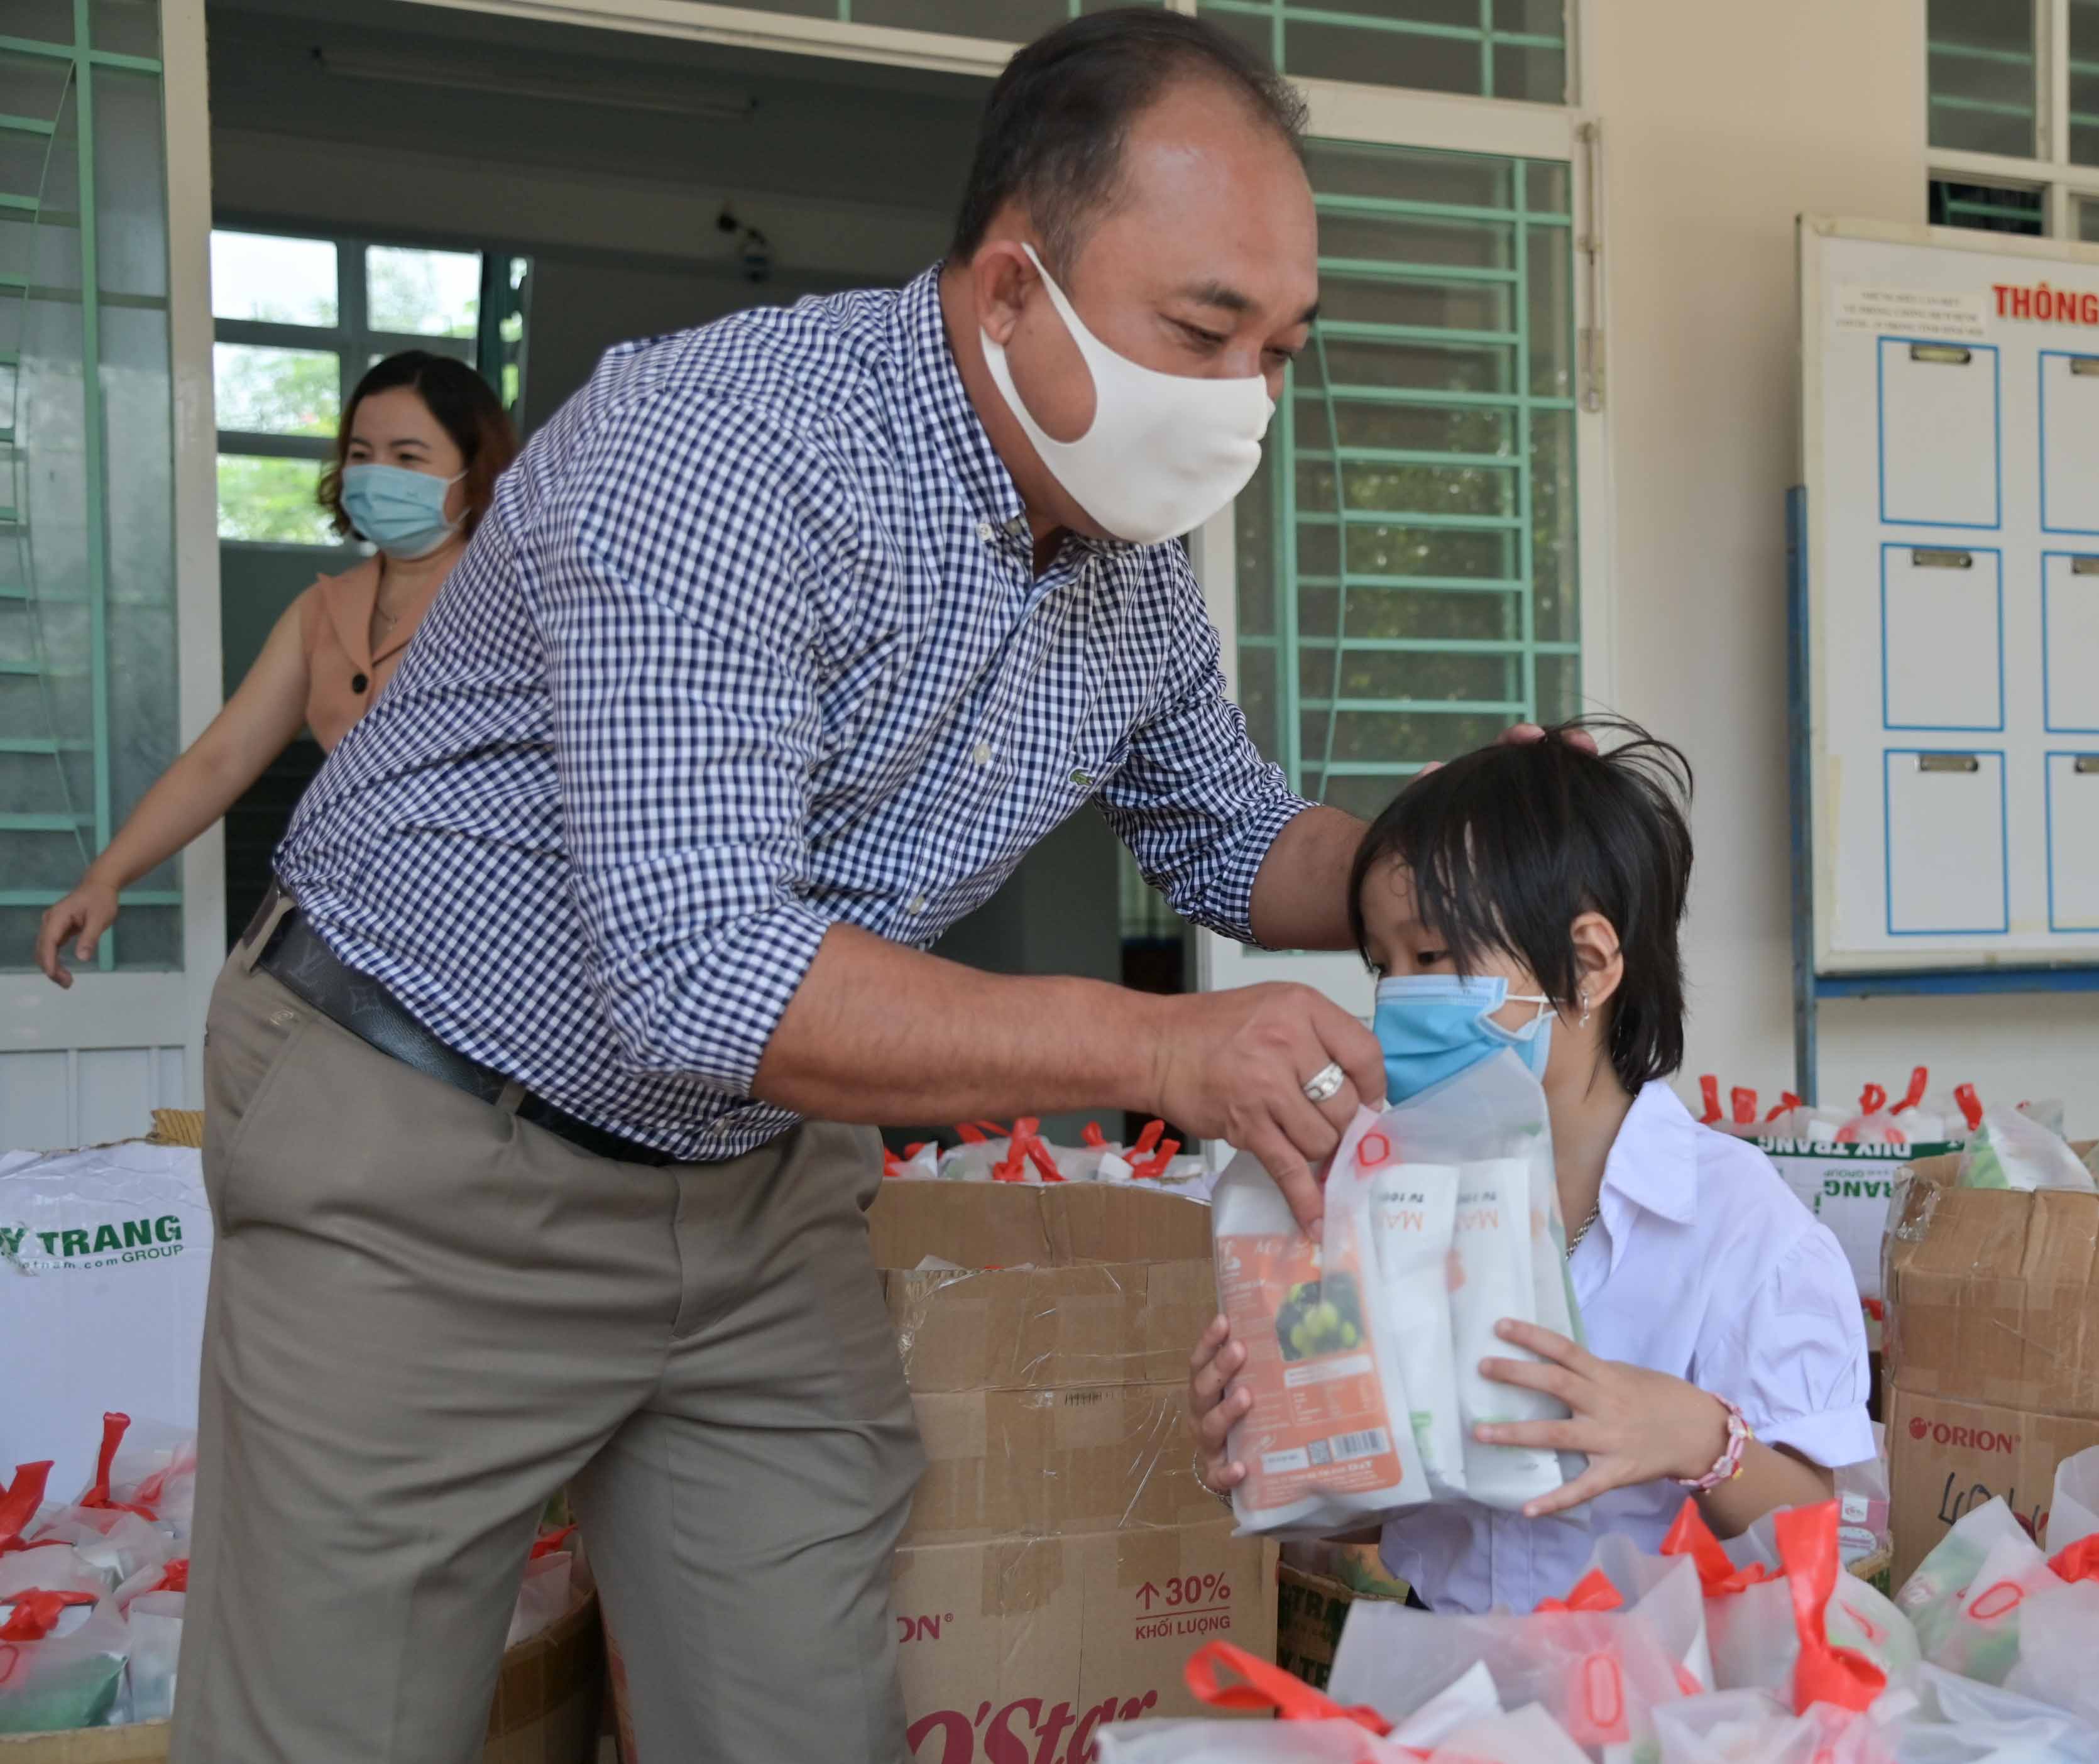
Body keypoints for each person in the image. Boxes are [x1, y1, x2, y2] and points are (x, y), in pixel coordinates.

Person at [168, 15, 1494, 1764]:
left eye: (1277, 350)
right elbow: (707, 969)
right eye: (1199, 331)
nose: (1241, 397)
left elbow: (1228, 831)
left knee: (799, 1704)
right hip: (423, 1142)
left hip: (750, 1180)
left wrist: (1450, 848)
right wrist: (1167, 1049)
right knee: (334, 1729)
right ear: (1012, 287)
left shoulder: (1123, 565)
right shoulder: (725, 453)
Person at [1183, 723, 1877, 1613]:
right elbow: (1402, 1497)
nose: (1399, 996)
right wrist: (1279, 1442)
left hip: (1666, 1701)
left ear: (1586, 965)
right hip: (1445, 1681)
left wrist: (1695, 1433)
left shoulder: (1739, 1223)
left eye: (1433, 957)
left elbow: (1813, 1523)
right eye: (1383, 965)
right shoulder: (1385, 1197)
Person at [31, 351, 513, 986]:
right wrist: (106, 876)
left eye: (408, 457)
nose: (374, 475)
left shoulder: (514, 596)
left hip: (482, 936)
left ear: (473, 470)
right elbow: (222, 757)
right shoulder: (322, 608)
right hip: (345, 926)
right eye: (360, 454)